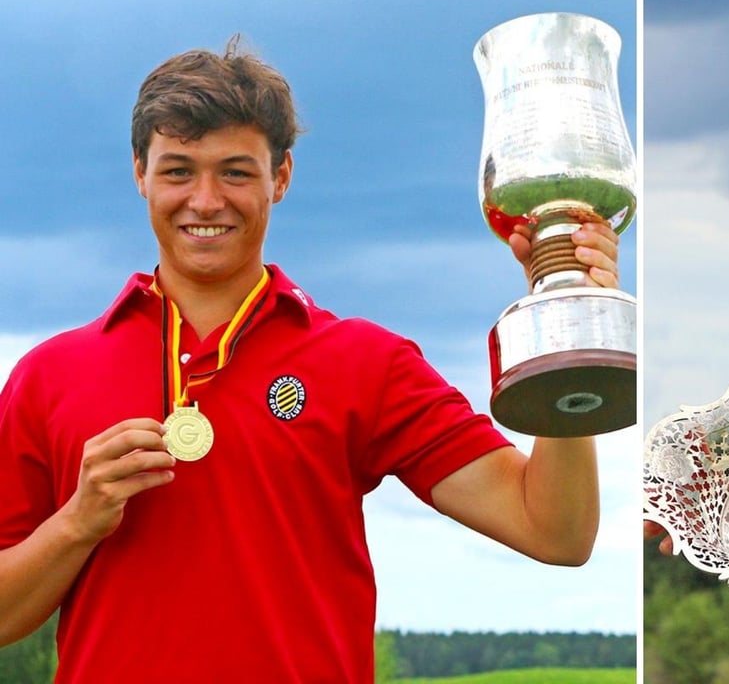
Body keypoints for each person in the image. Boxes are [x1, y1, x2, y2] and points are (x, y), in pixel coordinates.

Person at [0, 39, 622, 683]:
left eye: (236, 172)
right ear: (139, 173)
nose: (206, 200)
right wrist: (76, 522)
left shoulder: (364, 362)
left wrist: (565, 323)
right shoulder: (48, 376)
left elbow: (554, 531)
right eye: (179, 170)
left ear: (282, 177)